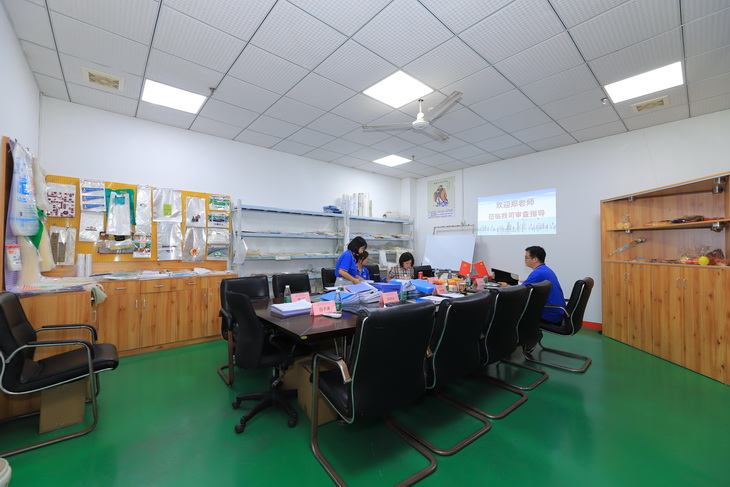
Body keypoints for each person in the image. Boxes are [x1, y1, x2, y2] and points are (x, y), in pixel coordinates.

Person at [518, 245, 565, 324]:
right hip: (557, 312)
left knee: (514, 308)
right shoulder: (545, 270)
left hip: (550, 314)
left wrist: (507, 286)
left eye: (526, 258)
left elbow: (520, 290)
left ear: (535, 259)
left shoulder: (538, 273)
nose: (524, 260)